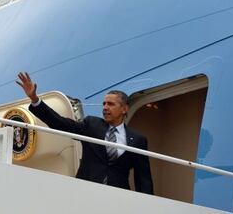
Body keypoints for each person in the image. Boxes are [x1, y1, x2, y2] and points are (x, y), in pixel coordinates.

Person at [16, 72, 154, 194]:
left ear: (124, 109)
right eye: (104, 104)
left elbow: (143, 178)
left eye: (110, 104)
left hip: (118, 199)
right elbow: (60, 123)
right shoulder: (92, 125)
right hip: (85, 193)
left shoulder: (138, 139)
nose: (105, 108)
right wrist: (35, 100)